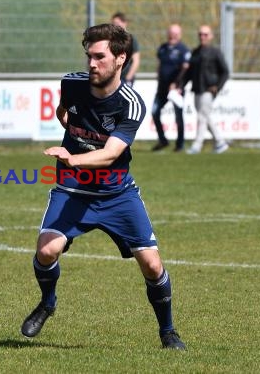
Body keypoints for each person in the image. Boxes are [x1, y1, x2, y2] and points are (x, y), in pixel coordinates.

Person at [20, 23, 186, 350]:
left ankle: (168, 332)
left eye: (99, 57)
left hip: (116, 194)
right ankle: (48, 303)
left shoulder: (130, 104)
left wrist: (73, 157)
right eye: (89, 56)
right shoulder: (71, 83)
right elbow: (63, 112)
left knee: (152, 265)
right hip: (73, 189)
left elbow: (111, 154)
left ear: (120, 59)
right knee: (46, 250)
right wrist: (71, 133)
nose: (92, 64)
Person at [181, 24, 229, 154]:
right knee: (205, 116)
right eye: (200, 34)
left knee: (202, 117)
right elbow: (189, 73)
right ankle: (220, 142)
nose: (203, 37)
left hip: (209, 90)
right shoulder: (195, 52)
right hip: (197, 89)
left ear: (211, 36)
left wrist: (217, 86)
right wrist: (181, 85)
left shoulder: (215, 52)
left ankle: (197, 145)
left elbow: (225, 72)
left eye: (205, 34)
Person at [151, 24, 191, 152]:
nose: (172, 36)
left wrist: (177, 84)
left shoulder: (183, 50)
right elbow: (159, 65)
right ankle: (163, 141)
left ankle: (179, 145)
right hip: (162, 89)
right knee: (154, 112)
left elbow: (185, 69)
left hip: (176, 90)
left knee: (178, 116)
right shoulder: (162, 48)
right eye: (171, 33)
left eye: (175, 33)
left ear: (180, 35)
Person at [111, 12, 140, 87]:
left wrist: (128, 78)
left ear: (124, 23)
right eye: (113, 23)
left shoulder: (131, 39)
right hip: (113, 78)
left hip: (125, 79)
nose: (114, 25)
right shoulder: (111, 39)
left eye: (117, 23)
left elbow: (136, 61)